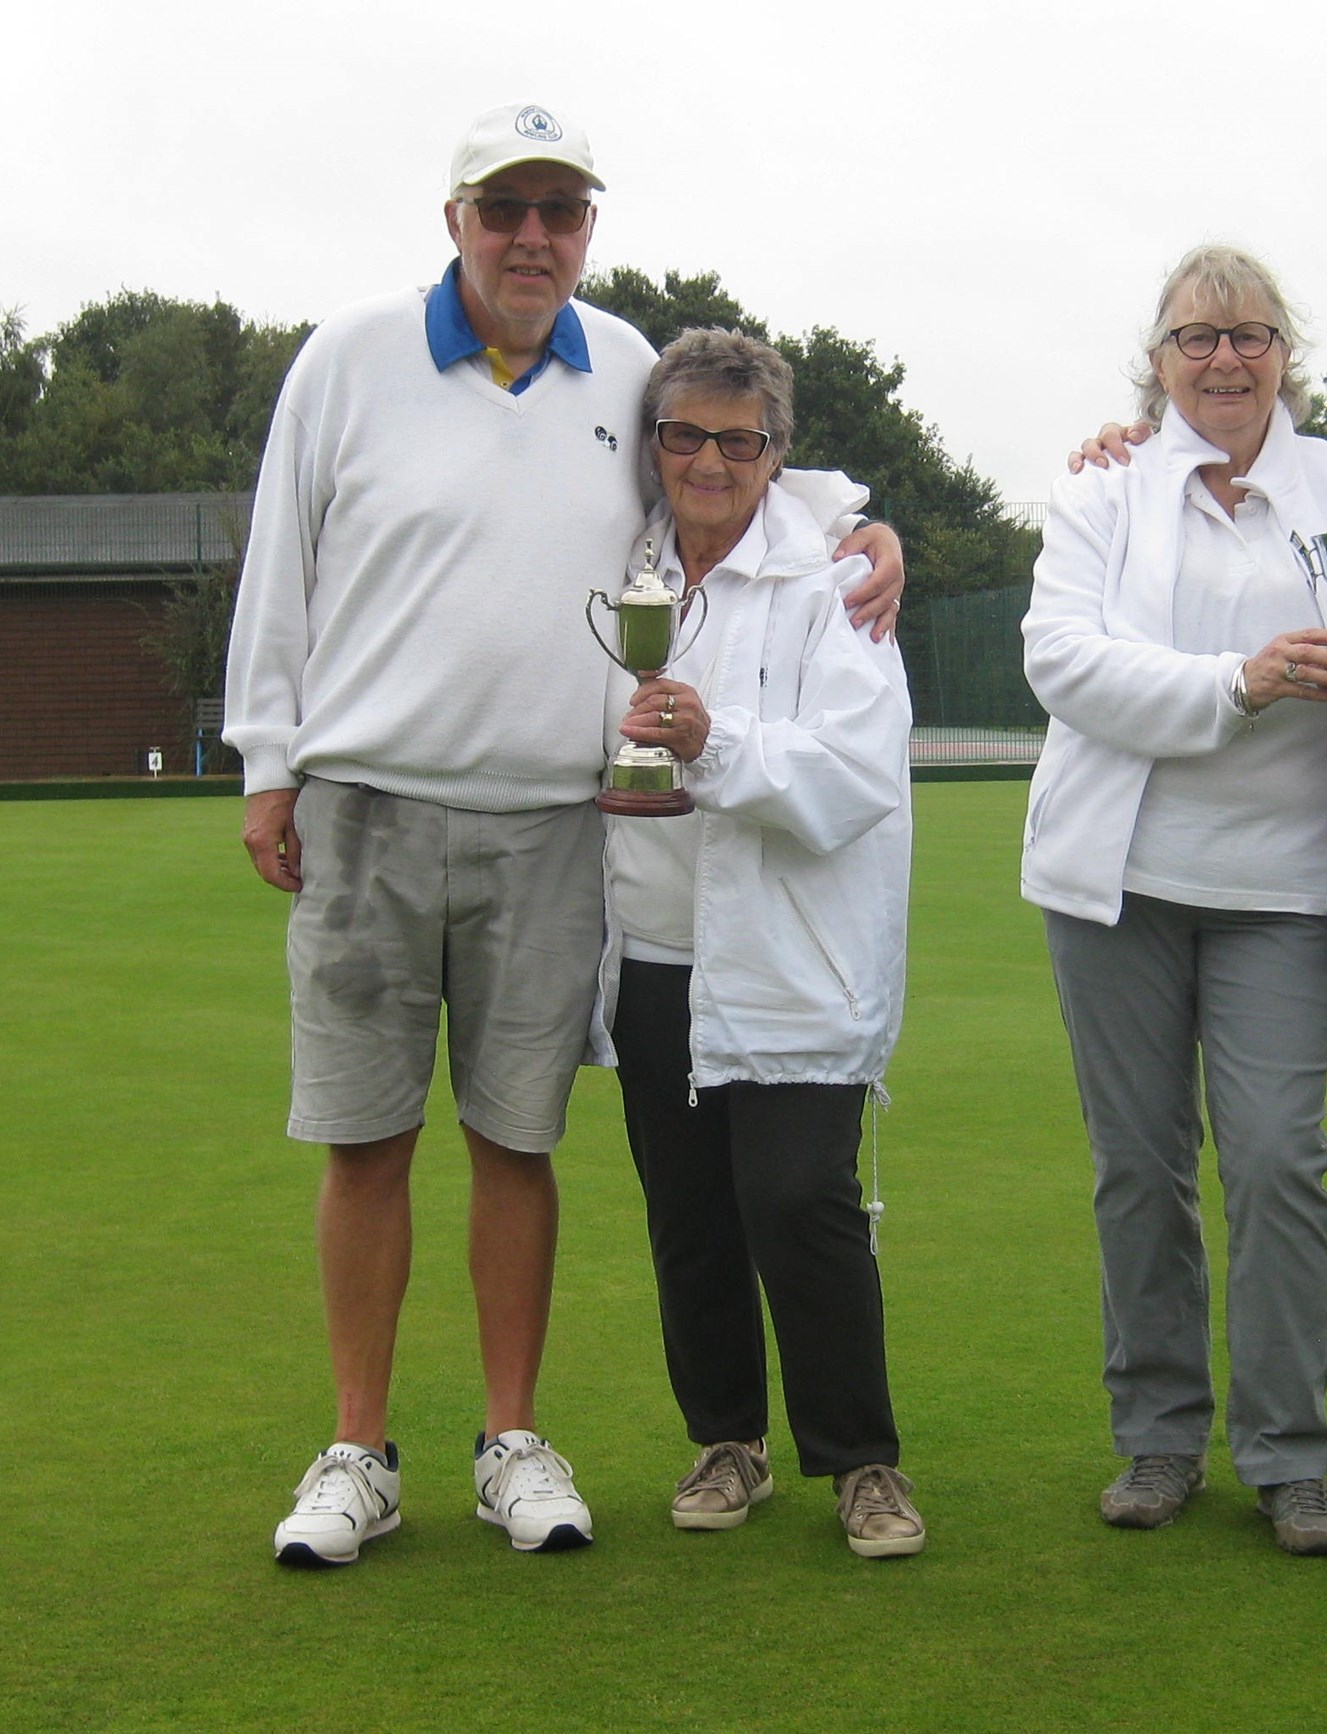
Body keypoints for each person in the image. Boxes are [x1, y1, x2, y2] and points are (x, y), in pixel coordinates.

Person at [226, 101, 905, 1568]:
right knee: (365, 1135)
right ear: (456, 216)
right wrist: (265, 763)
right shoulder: (348, 357)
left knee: (516, 1135)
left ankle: (510, 1439)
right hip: (368, 798)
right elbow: (279, 556)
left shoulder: (628, 368)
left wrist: (868, 525)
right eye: (506, 206)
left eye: (563, 210)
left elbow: (749, 472)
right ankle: (358, 1447)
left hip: (550, 819)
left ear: (588, 226)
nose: (534, 235)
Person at [1023, 247, 1327, 1556]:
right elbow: (1065, 663)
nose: (1225, 357)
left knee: (1275, 1162)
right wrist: (1238, 684)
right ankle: (1157, 1436)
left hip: (1287, 891)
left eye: (1250, 333)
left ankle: (1291, 1454)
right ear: (1161, 359)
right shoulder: (1102, 489)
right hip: (1115, 886)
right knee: (1138, 1170)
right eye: (1197, 337)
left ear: (1284, 352)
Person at [602, 329, 921, 1558]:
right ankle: (727, 1439)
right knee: (688, 1216)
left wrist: (710, 741)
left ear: (777, 452)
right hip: (651, 943)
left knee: (799, 1200)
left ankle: (863, 1462)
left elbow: (851, 775)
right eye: (686, 434)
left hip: (792, 952)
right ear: (655, 444)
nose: (710, 462)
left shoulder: (837, 576)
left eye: (740, 440)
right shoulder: (617, 557)